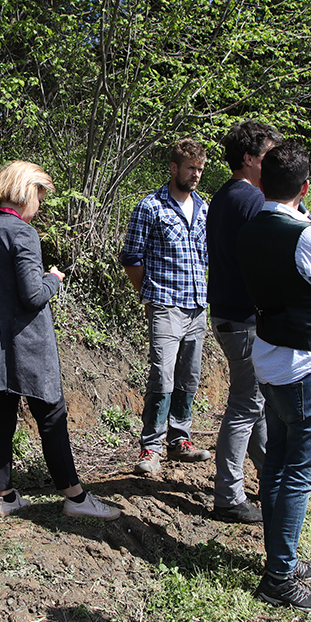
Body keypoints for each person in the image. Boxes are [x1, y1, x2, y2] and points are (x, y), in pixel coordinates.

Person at [0, 161, 122, 521]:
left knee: (1, 416)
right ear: (25, 192)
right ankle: (76, 498)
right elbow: (33, 295)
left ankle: (6, 496)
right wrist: (53, 278)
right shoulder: (23, 233)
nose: (40, 205)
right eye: (39, 196)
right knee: (52, 415)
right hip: (27, 343)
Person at [236, 141, 311, 612]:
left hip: (270, 358)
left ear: (261, 182)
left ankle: (282, 558)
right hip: (306, 365)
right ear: (305, 187)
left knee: (278, 466)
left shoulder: (250, 227)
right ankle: (279, 575)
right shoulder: (305, 236)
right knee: (297, 475)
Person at [120, 138, 212, 476]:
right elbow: (132, 257)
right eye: (191, 168)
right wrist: (149, 296)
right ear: (174, 168)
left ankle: (180, 439)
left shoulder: (204, 209)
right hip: (165, 303)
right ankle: (151, 447)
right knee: (162, 374)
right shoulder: (151, 207)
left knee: (189, 374)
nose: (196, 175)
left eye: (200, 169)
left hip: (197, 304)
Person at [206, 121, 282, 525]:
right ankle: (228, 496)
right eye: (268, 155)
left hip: (227, 314)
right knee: (247, 404)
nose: (274, 164)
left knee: (257, 402)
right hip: (244, 318)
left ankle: (270, 476)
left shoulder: (222, 197)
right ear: (250, 158)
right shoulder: (251, 201)